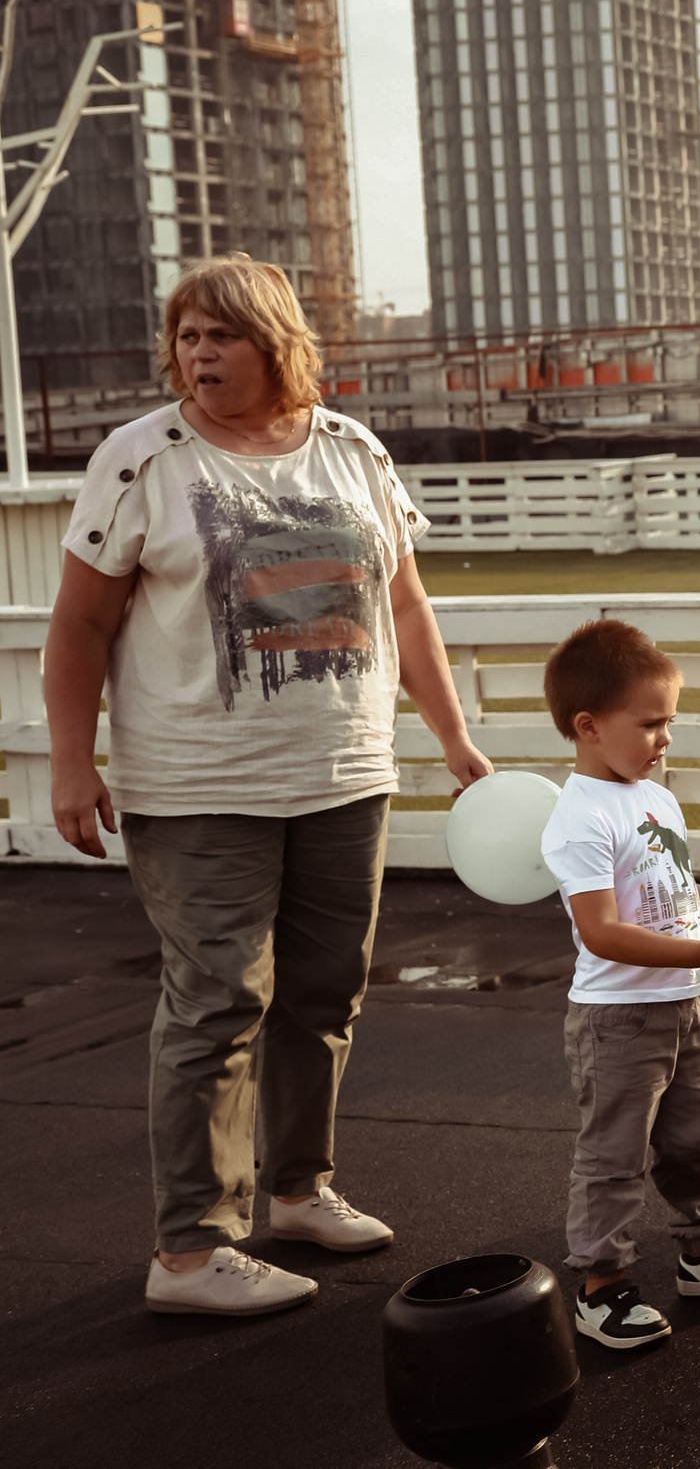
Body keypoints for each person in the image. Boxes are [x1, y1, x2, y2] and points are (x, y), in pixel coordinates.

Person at [43, 254, 493, 1317]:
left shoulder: (352, 452)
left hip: (342, 775)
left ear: (276, 343)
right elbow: (80, 623)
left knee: (323, 993)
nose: (201, 356)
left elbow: (409, 608)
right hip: (198, 787)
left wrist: (456, 744)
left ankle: (296, 1192)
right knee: (217, 1003)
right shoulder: (140, 458)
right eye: (189, 336)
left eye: (223, 337)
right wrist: (72, 759)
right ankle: (191, 1252)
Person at [538, 620, 700, 1348]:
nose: (664, 739)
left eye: (669, 723)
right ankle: (601, 1287)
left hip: (682, 1005)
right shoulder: (579, 818)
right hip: (617, 1019)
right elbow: (603, 931)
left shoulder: (654, 799)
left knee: (688, 1142)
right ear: (588, 727)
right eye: (650, 723)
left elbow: (682, 890)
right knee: (612, 1157)